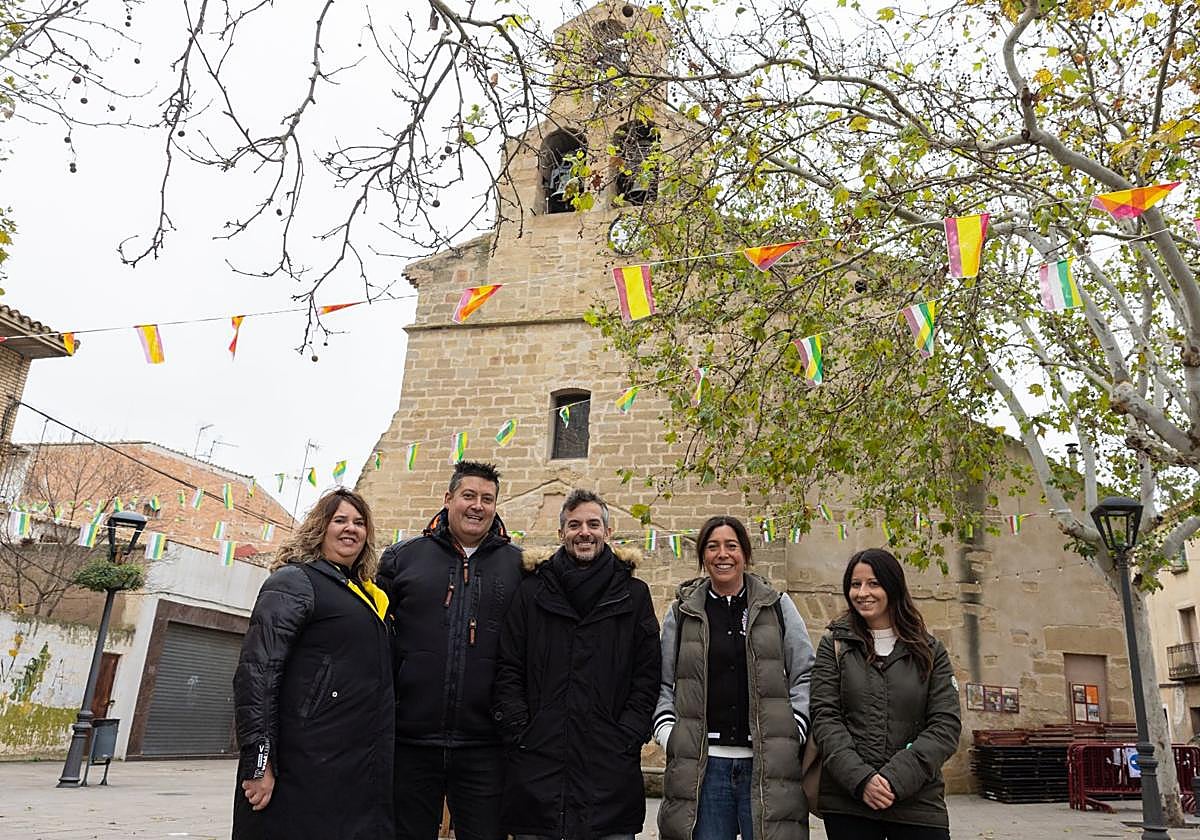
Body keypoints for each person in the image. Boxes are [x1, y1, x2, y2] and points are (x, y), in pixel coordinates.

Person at [493, 489, 661, 840]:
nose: (584, 532)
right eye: (574, 525)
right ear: (561, 534)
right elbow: (509, 667)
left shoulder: (633, 595)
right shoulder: (532, 593)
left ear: (608, 532)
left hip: (609, 774)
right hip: (538, 770)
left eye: (593, 524)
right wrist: (522, 731)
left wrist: (628, 735)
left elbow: (646, 675)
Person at [232, 488, 393, 840]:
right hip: (299, 763)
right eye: (340, 520)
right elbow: (257, 673)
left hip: (347, 765)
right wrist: (259, 763)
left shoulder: (365, 593)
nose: (351, 528)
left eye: (359, 522)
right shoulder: (295, 581)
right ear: (320, 528)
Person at [377, 460, 524, 840]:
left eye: (487, 499)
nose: (478, 506)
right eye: (469, 495)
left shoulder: (519, 567)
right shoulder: (402, 558)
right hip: (410, 739)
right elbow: (375, 641)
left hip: (485, 744)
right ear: (448, 499)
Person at [655, 515, 816, 840]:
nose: (722, 554)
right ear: (703, 555)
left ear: (745, 553)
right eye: (713, 547)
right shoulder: (682, 613)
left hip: (767, 767)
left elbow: (806, 674)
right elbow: (662, 681)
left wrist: (796, 727)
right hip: (705, 769)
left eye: (731, 546)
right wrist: (668, 732)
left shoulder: (778, 607)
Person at [809, 548, 961, 840]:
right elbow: (825, 718)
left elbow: (945, 725)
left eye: (873, 583)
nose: (863, 593)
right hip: (849, 803)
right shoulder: (835, 646)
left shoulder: (930, 651)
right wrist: (862, 779)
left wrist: (894, 779)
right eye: (855, 584)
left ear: (893, 587)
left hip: (918, 803)